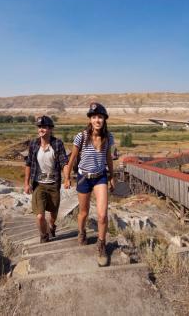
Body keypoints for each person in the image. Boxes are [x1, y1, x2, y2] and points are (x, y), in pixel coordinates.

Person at [63, 102, 116, 267]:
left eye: (100, 117)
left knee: (102, 215)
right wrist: (66, 177)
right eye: (94, 117)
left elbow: (108, 158)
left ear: (104, 119)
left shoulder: (108, 137)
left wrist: (111, 176)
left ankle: (101, 244)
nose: (97, 120)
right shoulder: (82, 136)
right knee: (83, 213)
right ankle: (81, 232)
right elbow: (72, 158)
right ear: (90, 119)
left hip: (100, 177)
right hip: (83, 177)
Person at [24, 115, 68, 243]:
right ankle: (44, 236)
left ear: (50, 129)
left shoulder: (57, 143)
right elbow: (28, 164)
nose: (41, 129)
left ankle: (52, 226)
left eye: (44, 127)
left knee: (53, 213)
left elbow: (64, 162)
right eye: (39, 127)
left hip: (54, 184)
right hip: (39, 184)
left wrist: (67, 178)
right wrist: (26, 183)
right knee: (39, 216)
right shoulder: (33, 143)